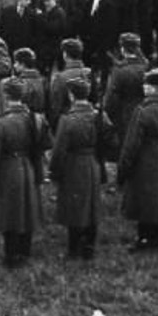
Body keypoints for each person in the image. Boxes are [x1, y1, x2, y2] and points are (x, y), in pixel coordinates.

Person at [0, 78, 44, 268]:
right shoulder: (35, 118)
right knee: (28, 208)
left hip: (9, 167)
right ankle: (25, 251)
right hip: (29, 165)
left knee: (10, 212)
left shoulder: (1, 123)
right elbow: (46, 142)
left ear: (6, 95)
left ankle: (11, 255)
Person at [118, 70, 158, 253]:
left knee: (146, 196)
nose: (143, 87)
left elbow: (132, 142)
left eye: (146, 84)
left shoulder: (143, 110)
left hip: (146, 155)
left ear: (154, 87)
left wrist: (124, 167)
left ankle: (144, 238)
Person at [48, 78, 105, 260]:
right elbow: (110, 139)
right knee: (91, 204)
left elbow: (59, 149)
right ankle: (89, 247)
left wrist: (54, 171)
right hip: (93, 162)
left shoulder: (67, 120)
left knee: (75, 206)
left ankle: (73, 249)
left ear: (71, 95)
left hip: (74, 164)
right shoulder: (98, 116)